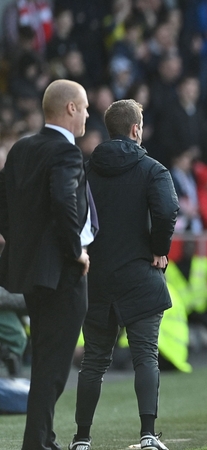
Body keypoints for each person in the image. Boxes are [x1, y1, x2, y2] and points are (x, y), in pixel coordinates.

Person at [71, 99, 179, 450]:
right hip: (140, 275)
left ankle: (81, 439)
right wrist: (158, 249)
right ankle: (148, 436)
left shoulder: (86, 170)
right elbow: (166, 211)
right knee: (145, 355)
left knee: (94, 362)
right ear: (136, 129)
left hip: (97, 279)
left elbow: (74, 216)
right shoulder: (153, 170)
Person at [0, 79, 92, 450]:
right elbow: (63, 202)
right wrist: (75, 251)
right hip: (63, 273)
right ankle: (36, 444)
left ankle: (43, 439)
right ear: (70, 108)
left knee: (45, 363)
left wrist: (24, 246)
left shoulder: (21, 149)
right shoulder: (67, 154)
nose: (87, 114)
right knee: (53, 367)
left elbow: (3, 208)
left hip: (29, 273)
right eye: (84, 107)